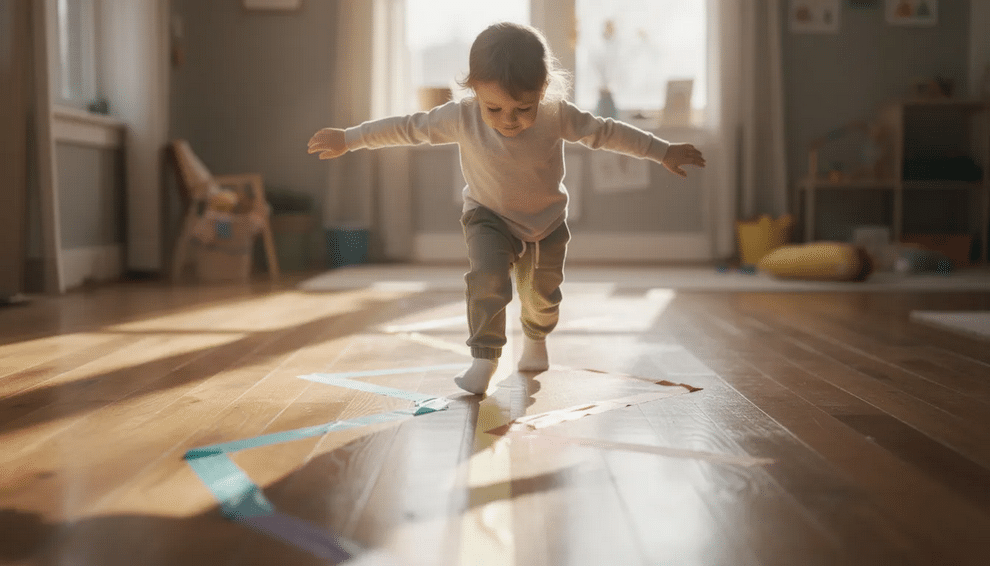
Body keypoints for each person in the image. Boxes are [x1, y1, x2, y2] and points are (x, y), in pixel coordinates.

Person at [307, 22, 705, 395]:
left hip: (545, 223)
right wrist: (350, 138)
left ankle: (535, 338)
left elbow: (606, 132)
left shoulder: (556, 114)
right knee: (486, 280)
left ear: (544, 88)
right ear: (474, 91)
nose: (508, 121)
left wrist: (663, 150)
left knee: (543, 298)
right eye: (493, 109)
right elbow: (407, 127)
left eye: (523, 108)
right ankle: (485, 359)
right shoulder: (460, 116)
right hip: (487, 215)